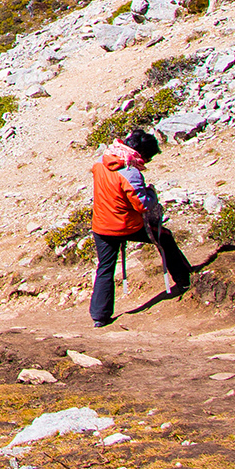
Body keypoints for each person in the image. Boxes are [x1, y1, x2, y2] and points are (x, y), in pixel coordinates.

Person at [90, 128, 192, 327]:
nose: (147, 162)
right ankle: (184, 279)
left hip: (101, 225)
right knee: (165, 237)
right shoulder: (130, 172)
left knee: (105, 267)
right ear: (142, 153)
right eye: (148, 158)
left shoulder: (100, 162)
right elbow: (143, 205)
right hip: (126, 225)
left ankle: (99, 316)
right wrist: (151, 193)